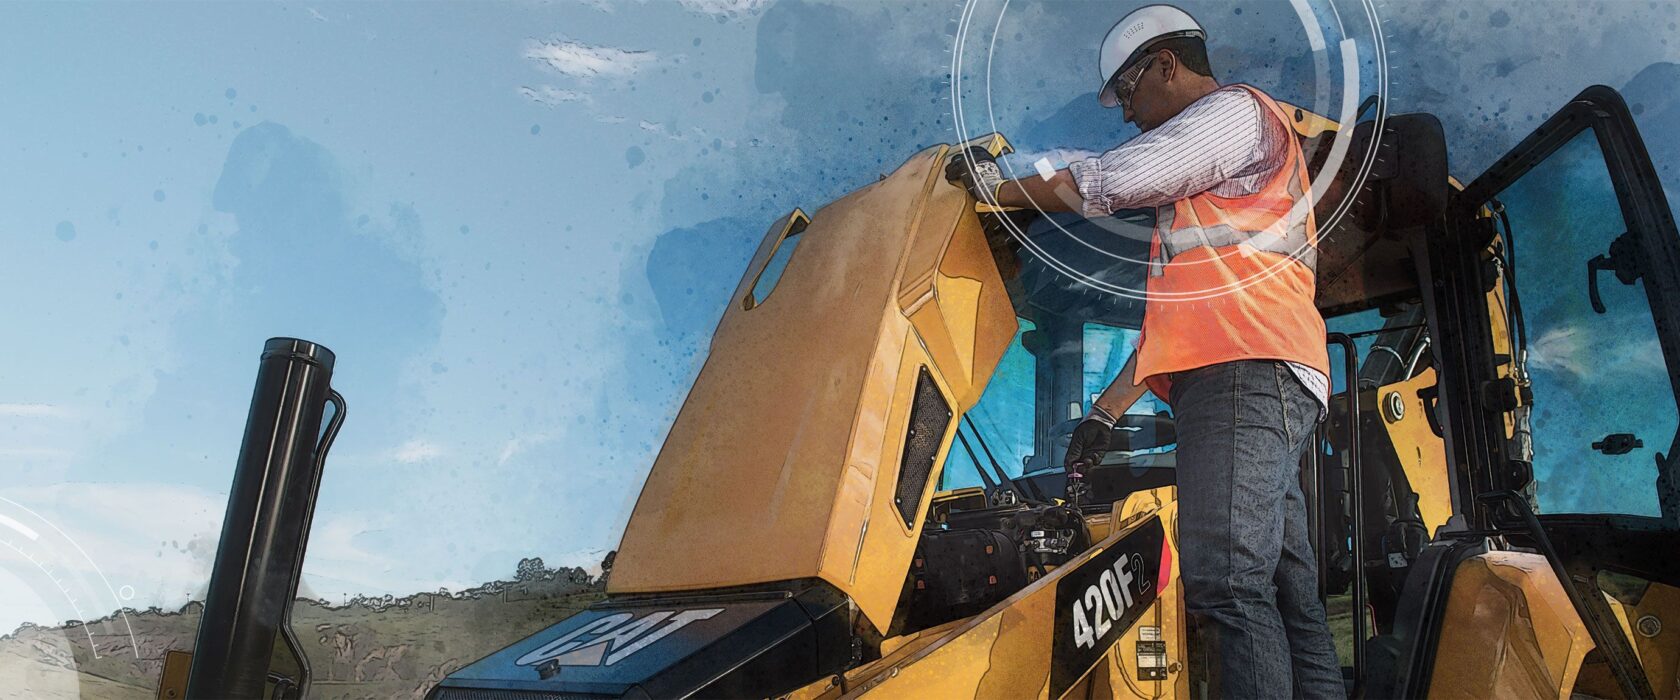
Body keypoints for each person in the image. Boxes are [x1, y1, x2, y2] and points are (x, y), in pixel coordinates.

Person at [945, 5, 1343, 698]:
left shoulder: (1236, 114)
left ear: (1166, 63)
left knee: (1226, 582)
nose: (1126, 114)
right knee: (1284, 588)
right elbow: (1175, 335)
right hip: (1256, 370)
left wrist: (994, 187)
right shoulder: (1209, 211)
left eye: (1127, 93)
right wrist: (1102, 414)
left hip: (1244, 374)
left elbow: (1111, 179)